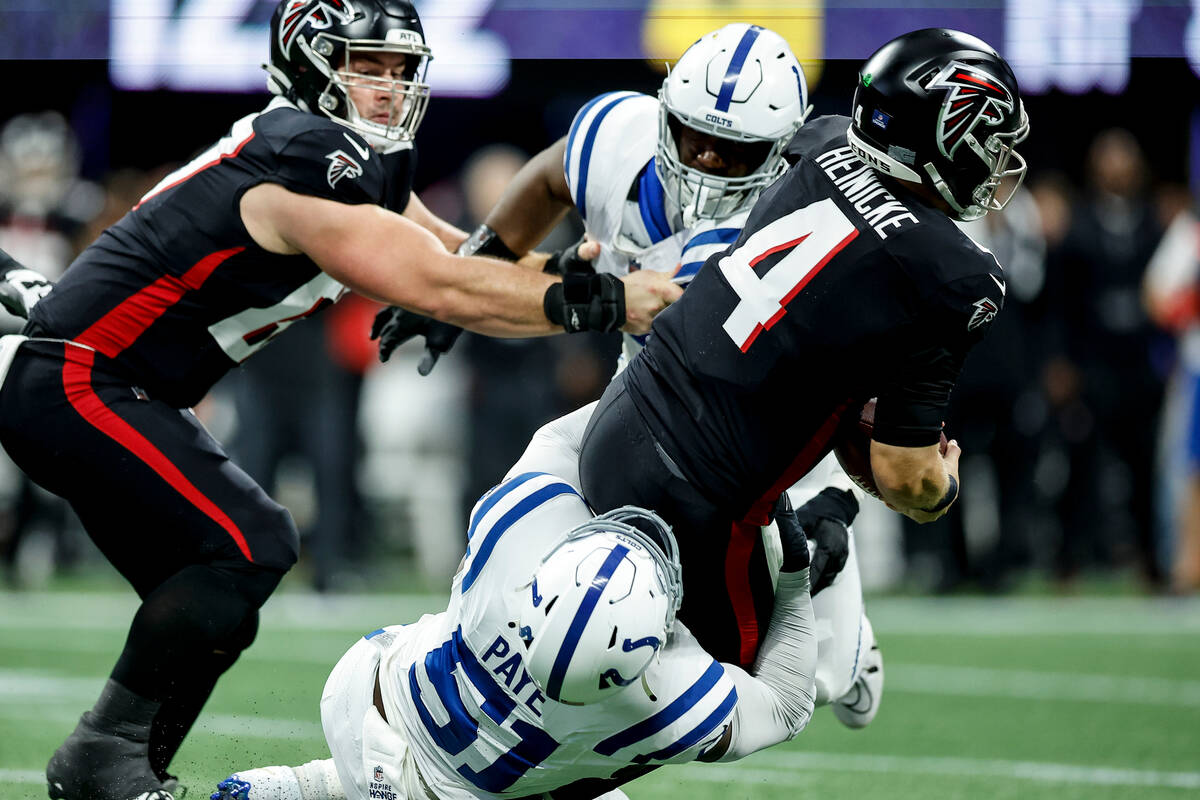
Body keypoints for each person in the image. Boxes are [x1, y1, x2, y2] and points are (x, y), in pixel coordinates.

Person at [0, 3, 680, 799]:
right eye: (365, 65)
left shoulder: (347, 156)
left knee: (228, 583)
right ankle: (102, 764)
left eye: (397, 69)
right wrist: (596, 301)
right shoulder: (301, 156)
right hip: (81, 381)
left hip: (113, 384)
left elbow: (458, 257)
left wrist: (559, 272)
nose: (388, 87)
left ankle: (118, 769)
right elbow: (439, 284)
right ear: (303, 63)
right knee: (245, 546)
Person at [372, 23, 881, 718]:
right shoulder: (623, 136)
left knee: (801, 678)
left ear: (777, 150)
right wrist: (478, 266)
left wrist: (835, 496)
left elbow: (842, 375)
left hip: (757, 448)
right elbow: (552, 174)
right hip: (637, 401)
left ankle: (849, 653)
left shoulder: (796, 224)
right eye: (692, 134)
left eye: (731, 150)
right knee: (520, 503)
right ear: (664, 109)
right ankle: (459, 677)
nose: (703, 158)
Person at [575, 27, 1027, 668]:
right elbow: (906, 474)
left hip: (623, 414)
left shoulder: (821, 138)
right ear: (949, 137)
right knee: (755, 686)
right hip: (702, 496)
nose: (994, 160)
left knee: (593, 646)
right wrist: (942, 488)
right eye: (987, 142)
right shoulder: (957, 275)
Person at [209, 418, 852, 800]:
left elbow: (569, 435)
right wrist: (793, 579)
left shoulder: (516, 534)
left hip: (363, 687)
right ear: (648, 655)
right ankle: (332, 785)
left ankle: (298, 787)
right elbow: (790, 705)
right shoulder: (662, 700)